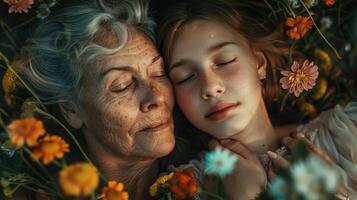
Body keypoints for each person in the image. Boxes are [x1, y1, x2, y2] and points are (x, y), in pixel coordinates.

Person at [157, 0, 357, 199]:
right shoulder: (179, 189)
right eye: (186, 77)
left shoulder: (346, 135)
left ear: (259, 63)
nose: (210, 87)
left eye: (224, 61)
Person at [12, 0, 179, 199]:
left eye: (159, 73)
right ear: (71, 111)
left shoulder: (212, 170)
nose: (157, 96)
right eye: (122, 85)